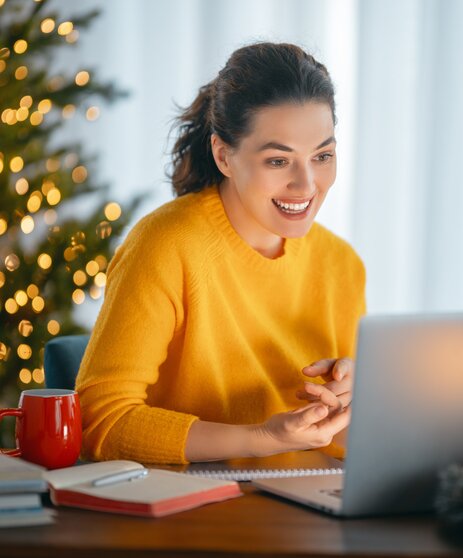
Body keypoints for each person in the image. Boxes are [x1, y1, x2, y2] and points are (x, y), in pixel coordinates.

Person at [76, 42, 366, 464]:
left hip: (308, 506)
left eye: (323, 155)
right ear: (223, 155)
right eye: (278, 161)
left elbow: (343, 445)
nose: (307, 186)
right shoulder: (166, 245)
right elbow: (101, 422)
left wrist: (355, 403)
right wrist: (262, 438)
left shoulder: (342, 265)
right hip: (193, 512)